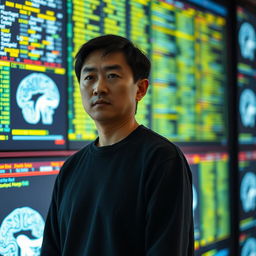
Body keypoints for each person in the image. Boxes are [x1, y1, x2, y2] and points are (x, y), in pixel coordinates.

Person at [40, 34, 194, 256]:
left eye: (112, 75)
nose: (99, 88)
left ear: (140, 89)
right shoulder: (71, 169)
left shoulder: (161, 160)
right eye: (89, 77)